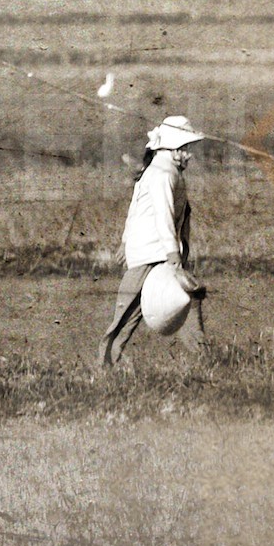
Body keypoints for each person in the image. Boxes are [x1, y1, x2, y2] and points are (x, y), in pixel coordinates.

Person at [99, 116, 207, 366]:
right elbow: (163, 215)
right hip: (152, 255)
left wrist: (127, 242)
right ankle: (105, 367)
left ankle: (205, 361)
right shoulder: (163, 173)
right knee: (126, 317)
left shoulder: (161, 170)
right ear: (175, 149)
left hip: (158, 253)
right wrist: (174, 258)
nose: (189, 155)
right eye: (186, 149)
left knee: (188, 303)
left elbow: (135, 208)